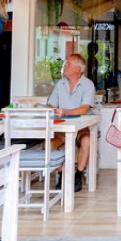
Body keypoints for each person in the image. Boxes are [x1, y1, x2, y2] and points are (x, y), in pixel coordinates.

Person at [48, 53, 95, 192]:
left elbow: (84, 109)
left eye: (68, 64)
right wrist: (53, 109)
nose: (65, 66)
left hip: (81, 127)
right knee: (48, 144)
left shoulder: (88, 85)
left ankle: (77, 176)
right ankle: (62, 174)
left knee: (86, 141)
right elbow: (51, 104)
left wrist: (65, 112)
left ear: (77, 69)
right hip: (61, 128)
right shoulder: (60, 84)